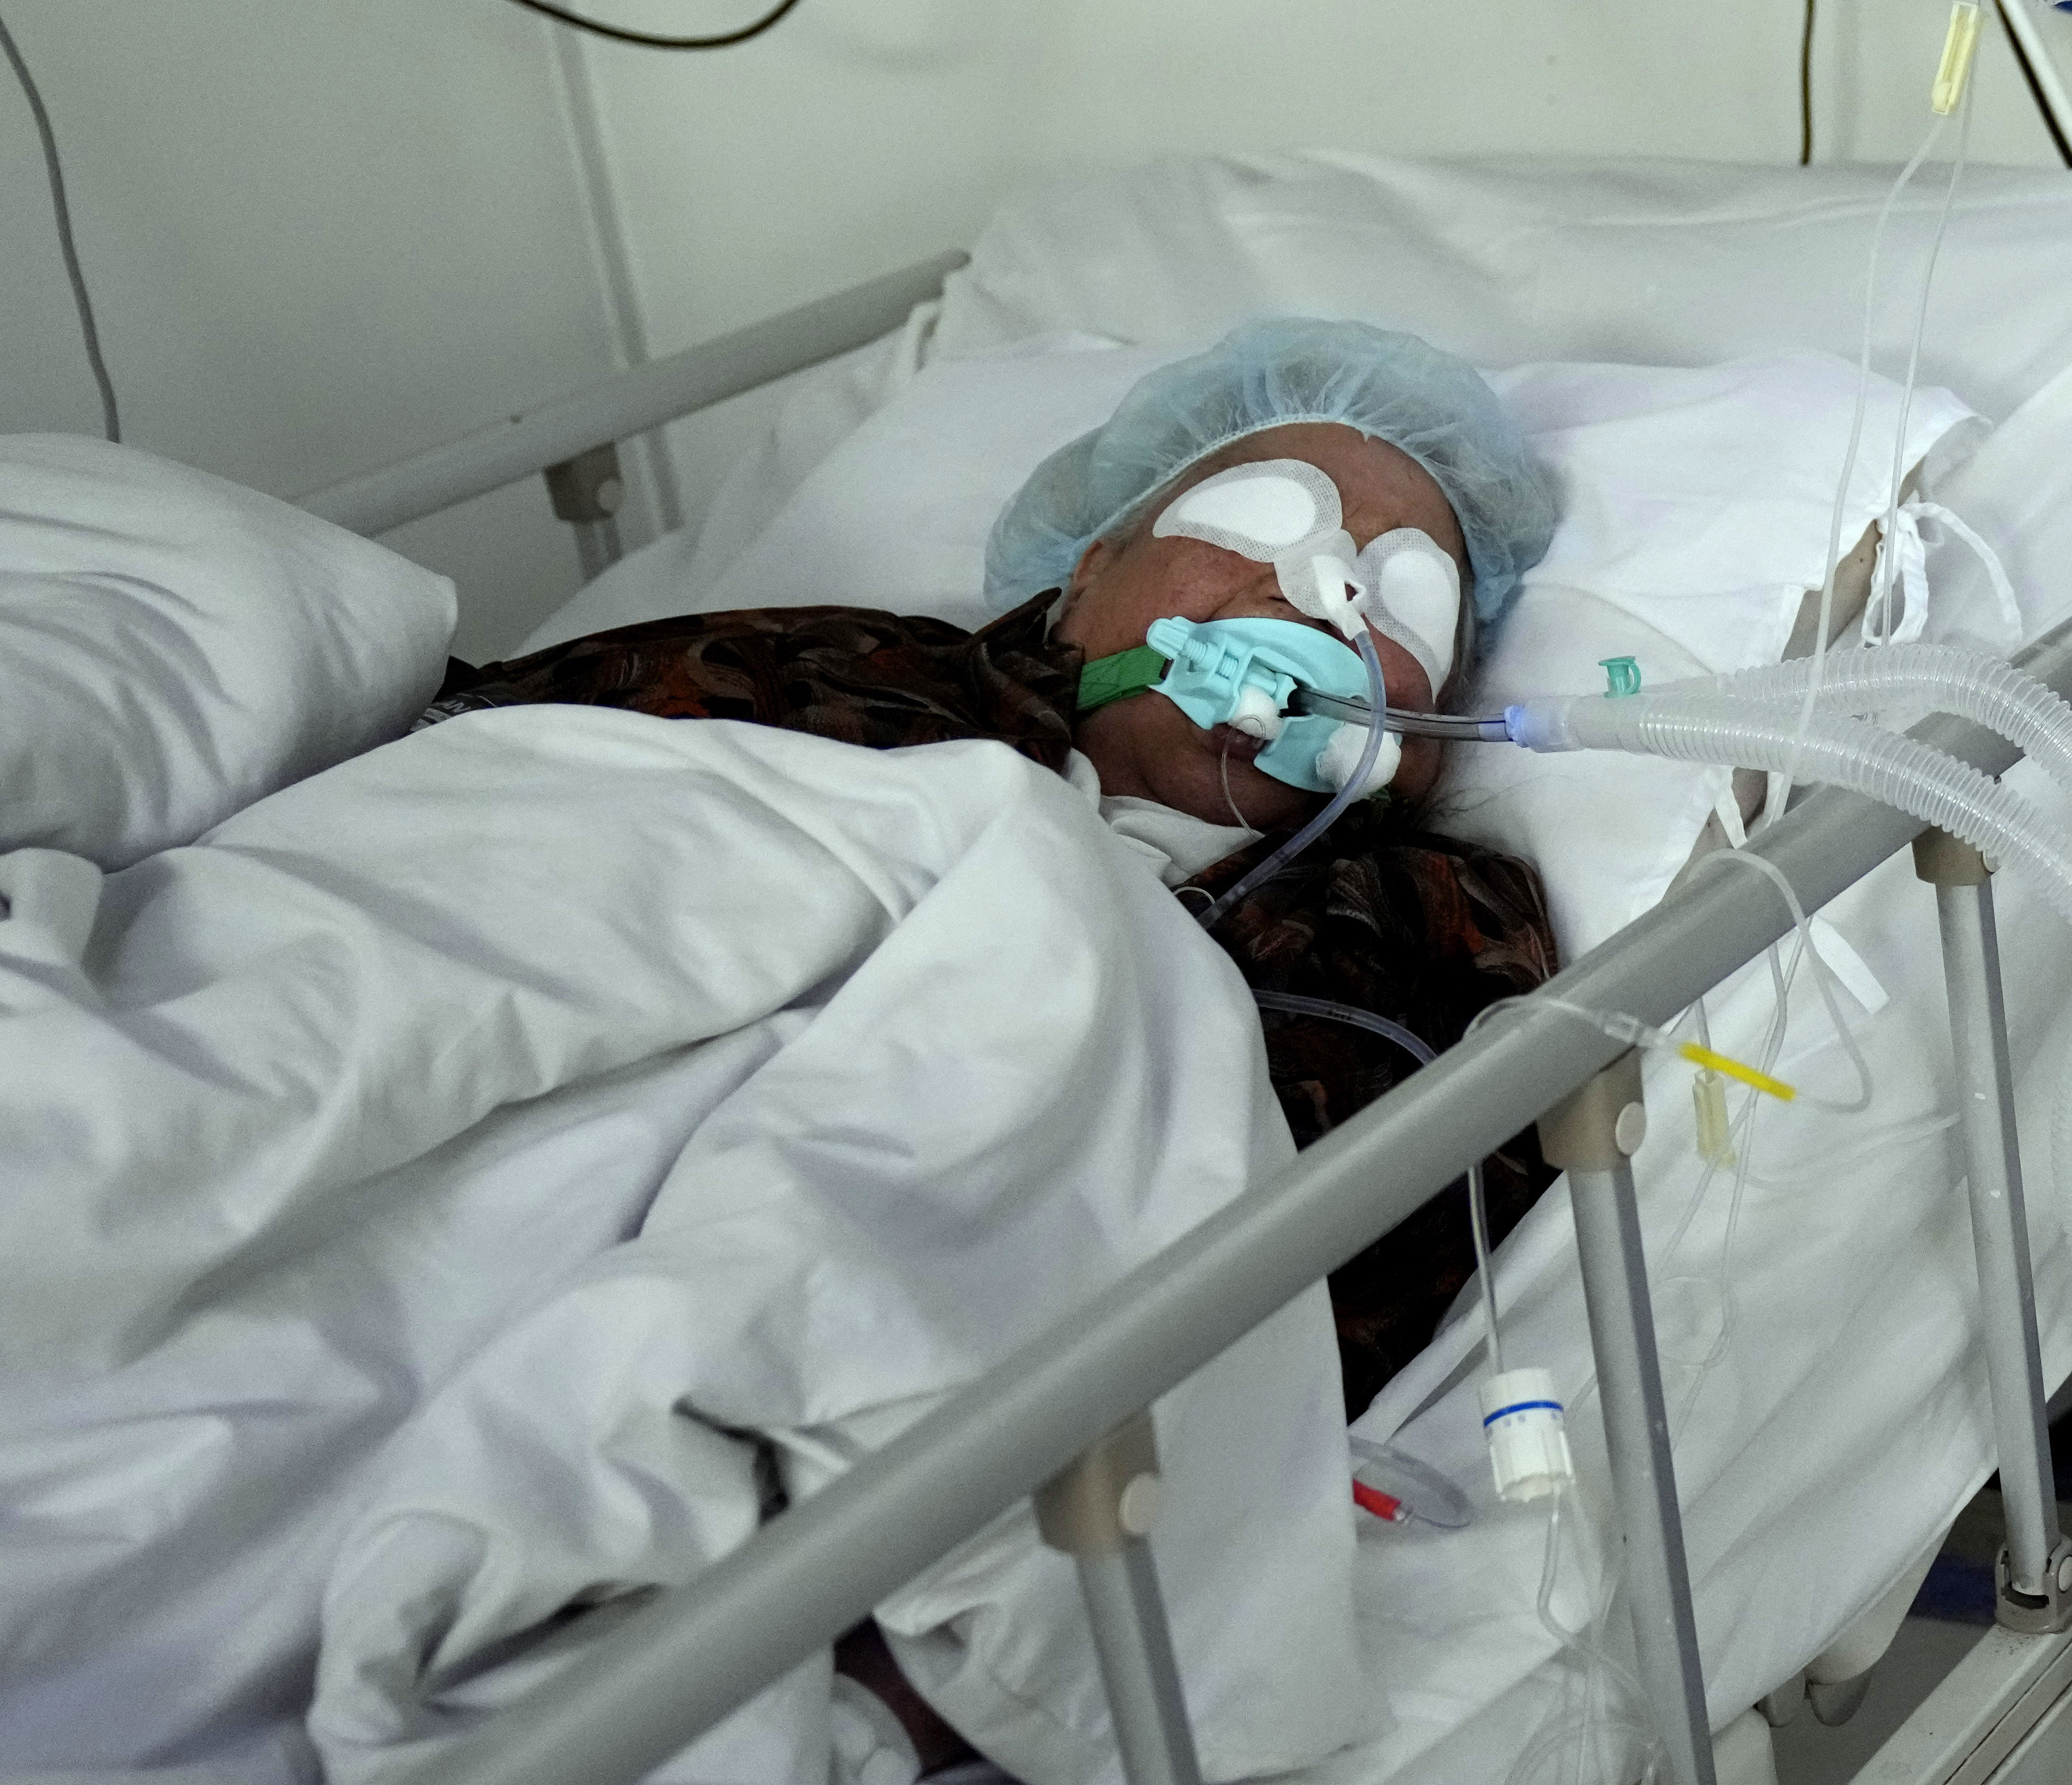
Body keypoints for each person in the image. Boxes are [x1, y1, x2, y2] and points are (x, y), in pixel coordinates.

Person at [427, 318, 1568, 1419]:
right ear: (1081, 581)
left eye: (1409, 591)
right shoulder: (831, 671)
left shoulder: (1428, 933)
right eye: (1266, 519)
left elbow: (1315, 1287)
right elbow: (484, 781)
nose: (1328, 590)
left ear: (1428, 748)